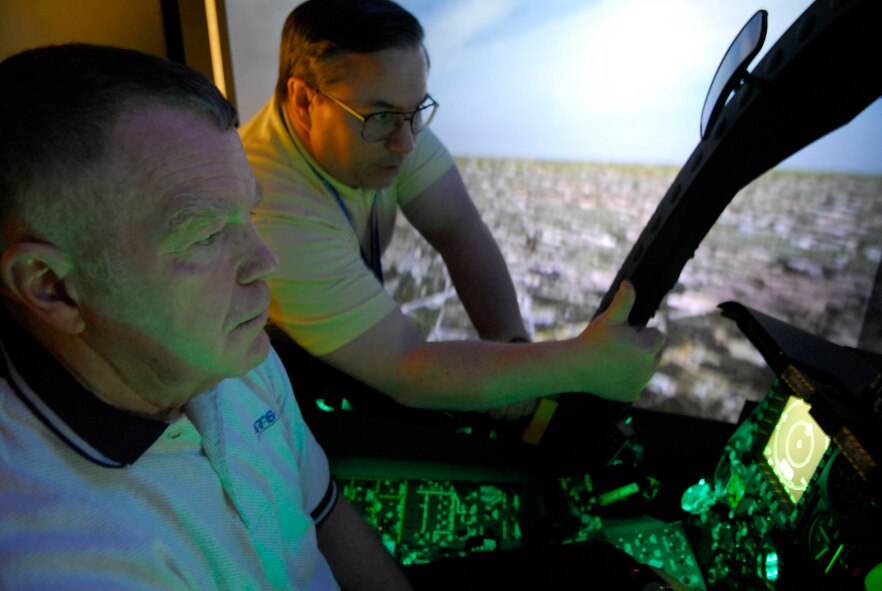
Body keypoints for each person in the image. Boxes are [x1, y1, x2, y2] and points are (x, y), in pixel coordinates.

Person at [0, 43, 412, 590]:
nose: (266, 262)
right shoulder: (62, 563)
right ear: (53, 288)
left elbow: (320, 513)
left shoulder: (227, 354)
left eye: (249, 213)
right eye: (205, 234)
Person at [240, 0, 666, 422]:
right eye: (383, 115)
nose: (406, 143)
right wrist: (580, 365)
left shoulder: (388, 126)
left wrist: (512, 347)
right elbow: (407, 369)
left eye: (416, 112)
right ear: (303, 101)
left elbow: (459, 231)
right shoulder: (269, 210)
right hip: (271, 391)